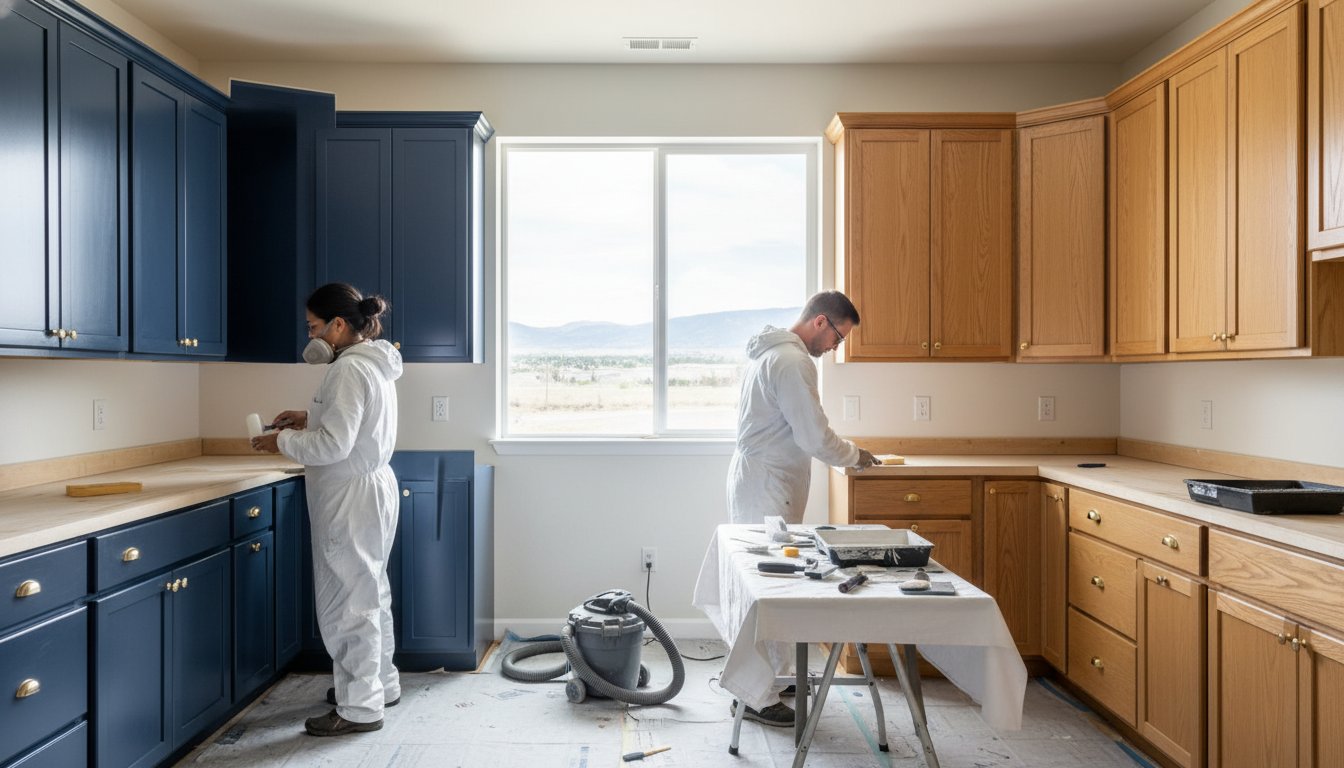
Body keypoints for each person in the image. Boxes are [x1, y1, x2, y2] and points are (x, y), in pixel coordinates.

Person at [250, 283, 404, 737]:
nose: (310, 335)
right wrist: (307, 417)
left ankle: (359, 708)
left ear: (338, 325)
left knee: (348, 602)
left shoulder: (348, 371)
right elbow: (350, 427)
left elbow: (333, 445)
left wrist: (279, 441)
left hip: (348, 498)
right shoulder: (372, 363)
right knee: (371, 591)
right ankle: (380, 685)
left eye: (313, 326)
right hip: (371, 488)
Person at [725, 290, 878, 726]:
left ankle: (767, 677)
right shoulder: (792, 363)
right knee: (768, 590)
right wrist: (856, 455)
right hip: (768, 484)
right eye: (838, 338)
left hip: (762, 480)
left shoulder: (769, 355)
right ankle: (756, 695)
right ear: (820, 322)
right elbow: (814, 436)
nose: (835, 348)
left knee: (767, 584)